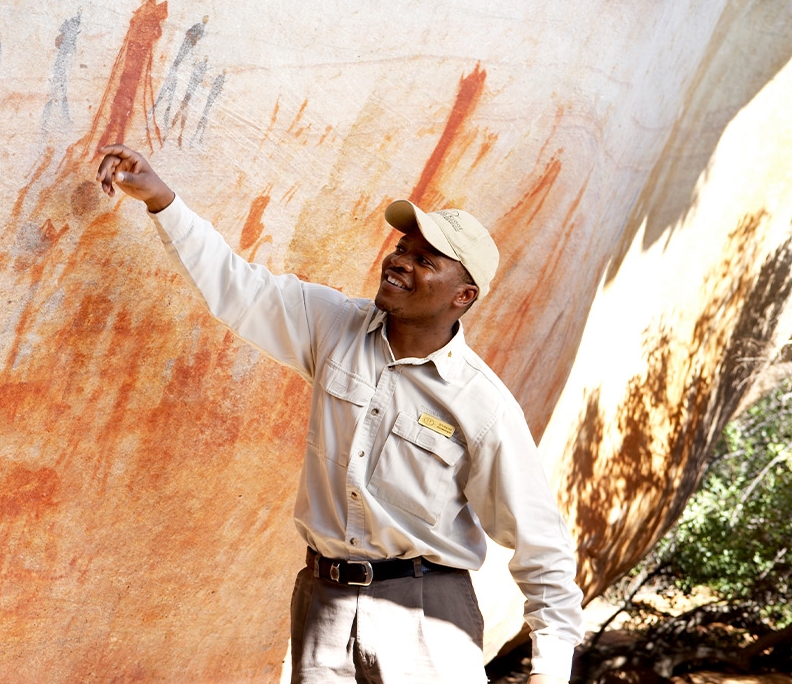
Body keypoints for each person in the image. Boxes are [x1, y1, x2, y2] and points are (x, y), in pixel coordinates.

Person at [95, 145, 584, 684]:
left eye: (426, 260)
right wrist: (162, 200)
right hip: (323, 604)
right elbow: (236, 287)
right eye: (403, 248)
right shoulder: (332, 326)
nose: (400, 261)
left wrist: (550, 670)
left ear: (463, 296)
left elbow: (542, 545)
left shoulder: (482, 404)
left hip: (427, 619)